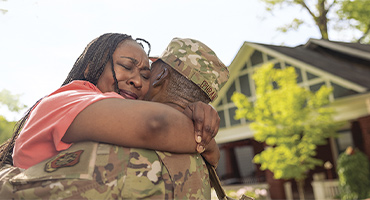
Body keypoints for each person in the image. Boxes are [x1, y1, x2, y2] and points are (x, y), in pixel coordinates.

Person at [0, 37, 229, 199]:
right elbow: (157, 124)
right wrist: (207, 141)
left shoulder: (117, 122)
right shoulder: (69, 98)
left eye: (145, 74)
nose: (137, 81)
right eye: (127, 66)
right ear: (92, 67)